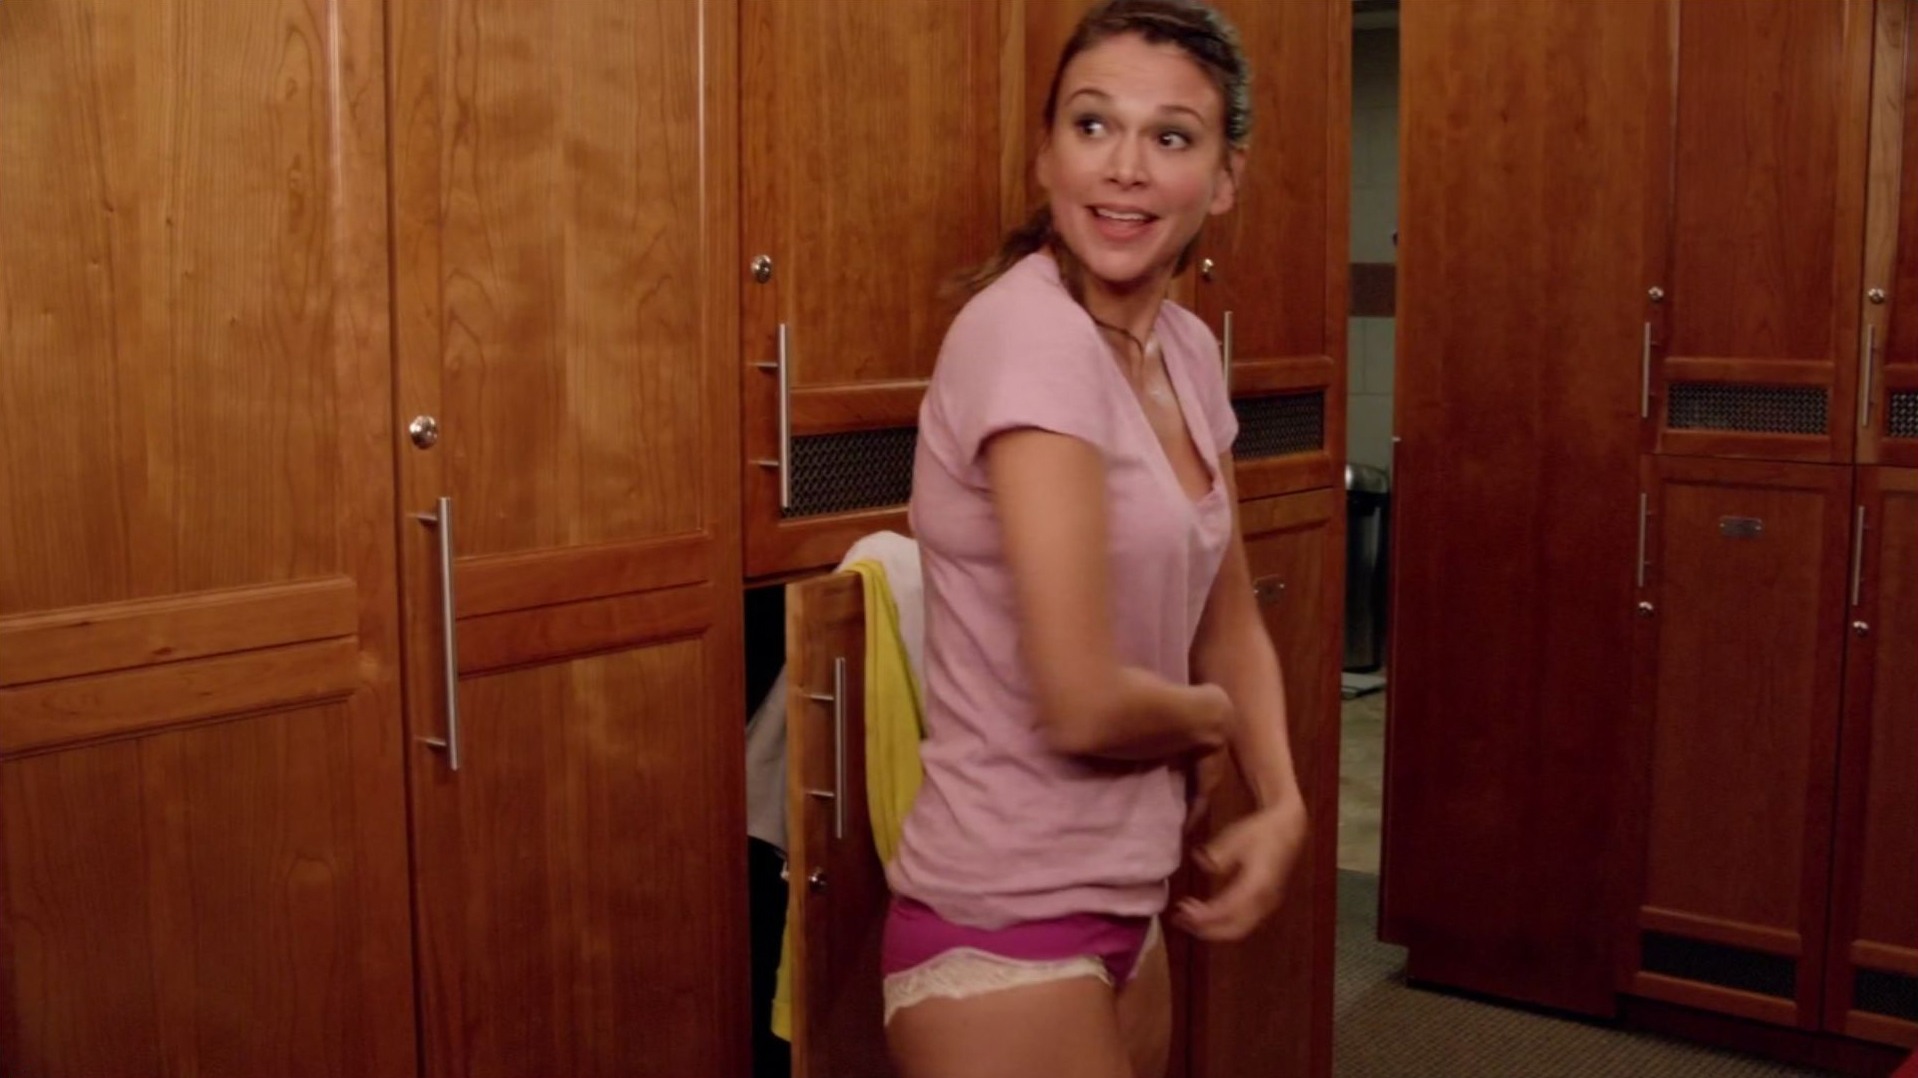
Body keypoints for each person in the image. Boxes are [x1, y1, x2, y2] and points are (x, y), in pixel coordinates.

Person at [882, 1, 1309, 1075]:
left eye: (1170, 136)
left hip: (1125, 895)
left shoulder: (1185, 351)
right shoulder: (1028, 338)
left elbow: (1227, 619)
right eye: (1092, 125)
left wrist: (1285, 801)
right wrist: (1210, 722)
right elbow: (1082, 703)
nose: (1124, 166)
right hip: (1005, 918)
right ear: (1046, 157)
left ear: (1223, 179)